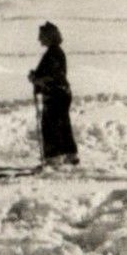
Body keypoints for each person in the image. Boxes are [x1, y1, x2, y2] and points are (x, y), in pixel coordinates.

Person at [28, 21, 79, 167]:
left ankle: (53, 158)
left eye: (41, 36)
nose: (39, 39)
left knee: (50, 125)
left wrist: (36, 79)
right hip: (61, 92)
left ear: (49, 37)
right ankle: (70, 155)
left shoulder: (52, 53)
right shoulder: (55, 52)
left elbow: (52, 75)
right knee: (62, 124)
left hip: (55, 94)